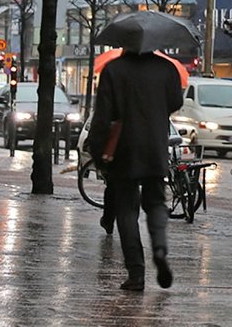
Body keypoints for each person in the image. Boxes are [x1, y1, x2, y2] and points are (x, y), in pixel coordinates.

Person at [87, 50, 183, 292]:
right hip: (155, 146)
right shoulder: (167, 68)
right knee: (156, 203)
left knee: (127, 210)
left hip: (124, 149)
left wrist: (99, 154)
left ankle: (136, 273)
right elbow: (176, 102)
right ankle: (160, 248)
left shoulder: (113, 70)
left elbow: (102, 115)